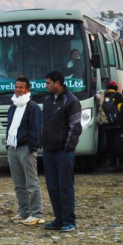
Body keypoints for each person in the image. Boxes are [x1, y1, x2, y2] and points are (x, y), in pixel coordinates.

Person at [40, 71, 82, 232]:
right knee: (52, 186)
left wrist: (68, 146)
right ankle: (58, 218)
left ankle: (69, 220)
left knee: (65, 186)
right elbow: (44, 123)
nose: (46, 85)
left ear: (58, 83)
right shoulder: (48, 100)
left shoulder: (71, 101)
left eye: (49, 82)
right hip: (48, 151)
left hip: (63, 152)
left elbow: (75, 126)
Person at [6, 77, 44, 225]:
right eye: (16, 87)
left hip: (25, 149)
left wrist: (32, 147)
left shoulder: (32, 107)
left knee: (32, 183)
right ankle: (24, 212)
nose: (18, 90)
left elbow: (36, 128)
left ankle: (37, 213)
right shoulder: (13, 106)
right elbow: (9, 126)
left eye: (21, 87)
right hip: (12, 147)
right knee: (18, 184)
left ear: (27, 89)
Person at [99, 81, 123, 168]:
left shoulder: (103, 96)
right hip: (117, 125)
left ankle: (112, 162)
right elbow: (120, 109)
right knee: (119, 143)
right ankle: (120, 161)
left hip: (107, 125)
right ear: (116, 87)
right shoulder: (118, 96)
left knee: (110, 143)